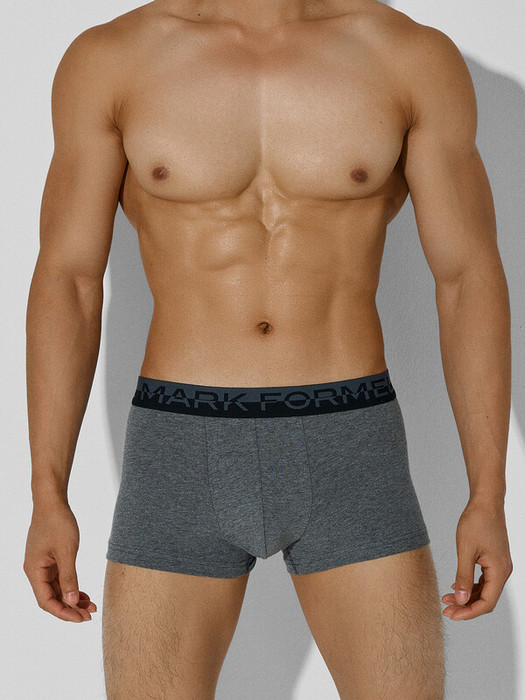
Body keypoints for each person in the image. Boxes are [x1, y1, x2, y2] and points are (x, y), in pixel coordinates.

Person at [23, 0, 513, 698]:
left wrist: (487, 493)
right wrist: (48, 492)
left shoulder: (406, 56)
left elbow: (466, 278)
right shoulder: (112, 59)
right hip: (179, 447)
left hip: (350, 445)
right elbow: (68, 280)